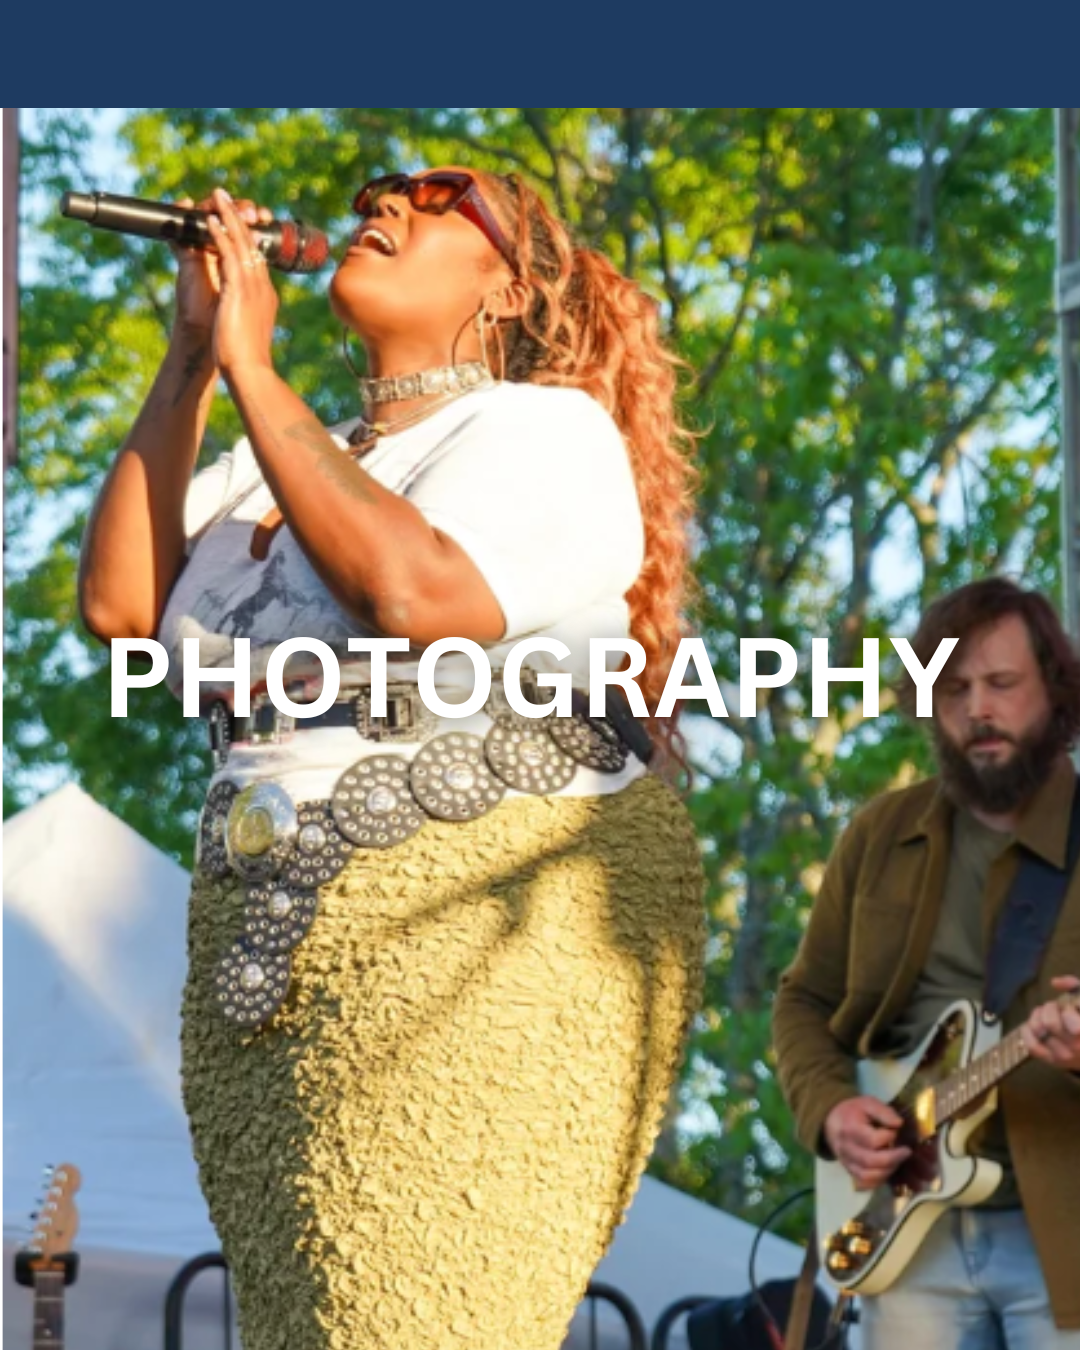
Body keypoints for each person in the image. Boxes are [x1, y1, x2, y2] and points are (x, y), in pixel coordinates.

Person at [77, 168, 706, 1350]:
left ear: (508, 289)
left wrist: (258, 370)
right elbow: (120, 605)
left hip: (472, 912)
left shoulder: (544, 431)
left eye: (438, 197)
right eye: (380, 192)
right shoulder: (272, 464)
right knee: (303, 1313)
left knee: (416, 1303)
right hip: (267, 932)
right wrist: (196, 358)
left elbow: (418, 593)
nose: (394, 205)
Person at [772, 578, 1080, 1348]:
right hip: (902, 1237)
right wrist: (833, 1110)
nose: (978, 708)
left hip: (1065, 1230)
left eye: (1002, 684)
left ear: (1054, 689)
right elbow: (803, 1001)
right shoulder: (879, 834)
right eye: (953, 689)